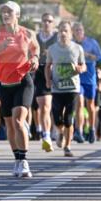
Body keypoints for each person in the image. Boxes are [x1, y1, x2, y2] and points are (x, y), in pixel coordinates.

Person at [0, 1, 39, 178]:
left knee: (18, 120)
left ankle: (24, 161)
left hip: (23, 80)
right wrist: (0, 48)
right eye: (3, 12)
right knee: (9, 124)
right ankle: (17, 159)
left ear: (18, 15)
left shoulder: (27, 33)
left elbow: (35, 48)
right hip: (4, 83)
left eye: (9, 12)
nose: (5, 14)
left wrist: (35, 58)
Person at [45, 21, 86, 158]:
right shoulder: (52, 49)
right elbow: (47, 66)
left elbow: (83, 65)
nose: (63, 33)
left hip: (72, 88)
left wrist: (80, 69)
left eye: (66, 31)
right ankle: (60, 132)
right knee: (57, 118)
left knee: (68, 118)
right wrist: (48, 80)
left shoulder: (78, 48)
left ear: (71, 33)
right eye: (61, 31)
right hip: (57, 88)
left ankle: (67, 147)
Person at [72, 22, 101, 143]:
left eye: (80, 30)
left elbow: (100, 57)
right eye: (76, 30)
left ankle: (91, 129)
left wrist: (88, 55)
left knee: (90, 105)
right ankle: (79, 131)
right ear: (73, 32)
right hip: (77, 76)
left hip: (90, 77)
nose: (78, 32)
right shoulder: (71, 44)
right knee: (79, 103)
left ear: (83, 31)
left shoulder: (91, 42)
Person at [34, 12, 58, 152]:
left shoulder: (58, 37)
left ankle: (58, 129)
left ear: (53, 23)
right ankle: (47, 136)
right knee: (44, 106)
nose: (47, 23)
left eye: (49, 21)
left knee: (58, 107)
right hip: (40, 73)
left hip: (57, 74)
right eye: (44, 21)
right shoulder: (36, 38)